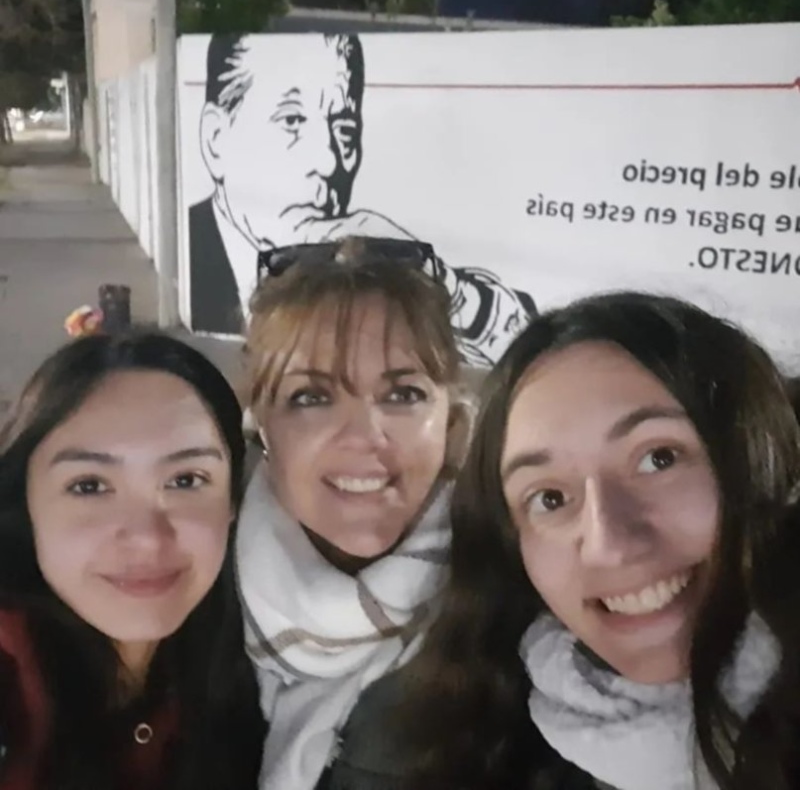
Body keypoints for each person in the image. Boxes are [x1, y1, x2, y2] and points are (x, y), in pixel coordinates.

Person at [397, 292, 800, 790]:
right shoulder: (479, 745)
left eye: (659, 459)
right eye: (548, 497)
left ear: (765, 462)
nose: (607, 543)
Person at [235, 237, 473, 790]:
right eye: (312, 398)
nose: (367, 437)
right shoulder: (183, 591)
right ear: (261, 423)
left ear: (450, 415)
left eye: (404, 394)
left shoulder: (517, 607)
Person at [0, 331, 265, 789]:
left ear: (233, 500)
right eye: (89, 486)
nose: (146, 539)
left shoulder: (266, 650)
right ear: (26, 504)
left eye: (185, 480)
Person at [189, 32, 536, 365]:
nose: (328, 162)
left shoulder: (365, 267)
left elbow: (524, 354)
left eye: (344, 130)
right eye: (292, 120)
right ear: (216, 139)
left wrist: (435, 275)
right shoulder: (180, 266)